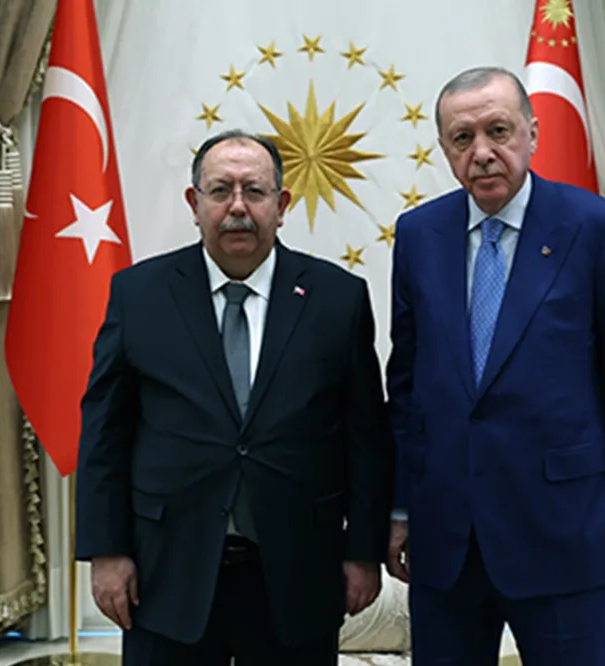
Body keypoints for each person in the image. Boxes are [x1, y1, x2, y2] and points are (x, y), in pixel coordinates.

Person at [74, 129, 394, 666]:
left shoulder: (338, 298)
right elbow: (106, 432)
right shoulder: (140, 294)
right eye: (221, 190)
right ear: (194, 203)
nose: (238, 207)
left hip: (298, 574)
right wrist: (107, 551)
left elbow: (366, 438)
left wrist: (363, 551)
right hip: (165, 574)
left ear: (282, 205)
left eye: (255, 191)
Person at [384, 66, 605, 665]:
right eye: (463, 138)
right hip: (447, 537)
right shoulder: (418, 234)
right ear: (445, 149)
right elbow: (405, 386)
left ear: (532, 133)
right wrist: (400, 508)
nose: (482, 152)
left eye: (498, 131)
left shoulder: (598, 229)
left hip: (564, 532)